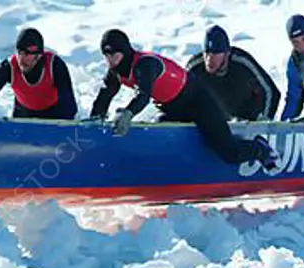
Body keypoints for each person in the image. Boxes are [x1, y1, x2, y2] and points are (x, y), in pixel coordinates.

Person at [89, 29, 278, 170]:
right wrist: (92, 123)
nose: (111, 61)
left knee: (229, 153)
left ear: (125, 51)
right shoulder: (115, 71)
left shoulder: (144, 64)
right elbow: (105, 94)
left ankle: (259, 148)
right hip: (173, 109)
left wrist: (128, 113)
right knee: (157, 138)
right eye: (107, 56)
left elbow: (143, 95)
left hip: (198, 102)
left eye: (114, 55)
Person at [0, 27, 78, 120]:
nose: (22, 59)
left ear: (39, 55)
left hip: (54, 113)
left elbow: (69, 103)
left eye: (27, 54)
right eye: (20, 52)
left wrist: (65, 128)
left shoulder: (55, 65)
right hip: (24, 113)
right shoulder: (8, 67)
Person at [186, 26, 281, 122]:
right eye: (207, 53)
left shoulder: (242, 63)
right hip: (214, 121)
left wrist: (264, 123)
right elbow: (180, 97)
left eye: (216, 54)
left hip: (247, 121)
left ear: (227, 53)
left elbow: (271, 91)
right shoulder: (195, 68)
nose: (209, 59)